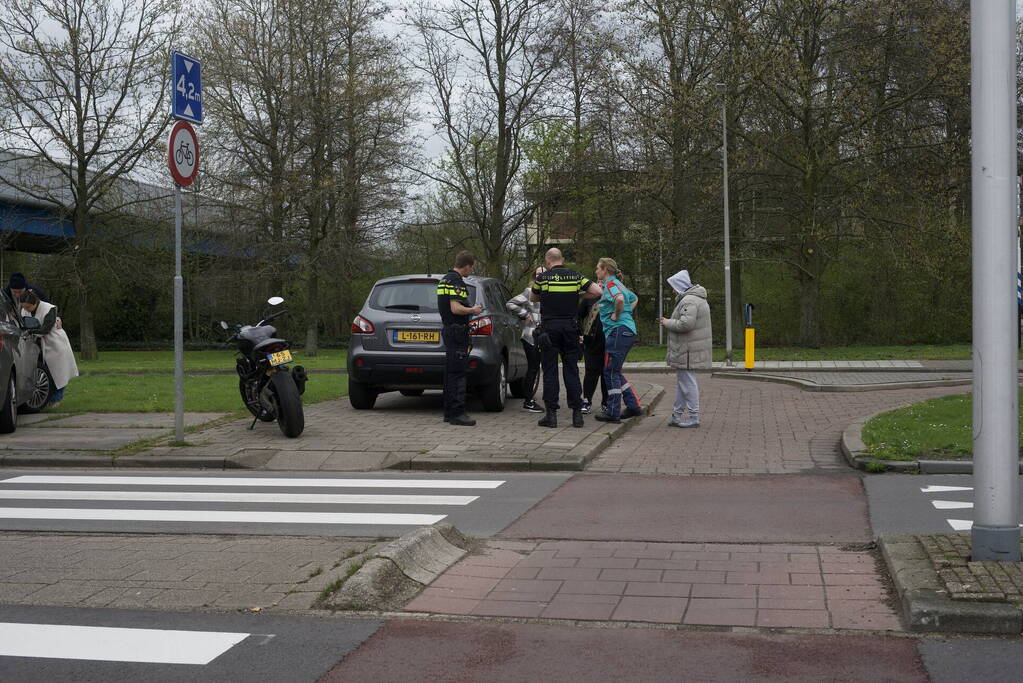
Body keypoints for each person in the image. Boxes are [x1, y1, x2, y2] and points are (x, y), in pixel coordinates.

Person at [530, 248, 601, 428]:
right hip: (570, 329)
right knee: (572, 370)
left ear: (548, 261)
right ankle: (577, 415)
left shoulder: (542, 278)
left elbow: (533, 297)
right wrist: (577, 295)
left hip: (549, 329)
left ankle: (551, 416)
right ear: (562, 259)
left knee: (550, 371)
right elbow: (598, 291)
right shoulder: (575, 276)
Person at [659, 269, 712, 428]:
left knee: (687, 383)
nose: (672, 290)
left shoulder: (688, 300)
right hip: (688, 348)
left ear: (680, 285)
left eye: (674, 286)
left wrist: (667, 322)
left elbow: (685, 324)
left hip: (687, 349)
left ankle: (694, 416)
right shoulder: (695, 298)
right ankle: (677, 415)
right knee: (684, 382)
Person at [436, 251, 483, 426]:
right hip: (457, 332)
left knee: (450, 373)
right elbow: (456, 308)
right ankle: (457, 413)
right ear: (467, 266)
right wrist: (473, 310)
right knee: (458, 374)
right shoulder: (456, 281)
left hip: (449, 330)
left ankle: (449, 412)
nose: (471, 271)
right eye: (472, 268)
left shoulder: (444, 279)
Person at [594, 257, 642, 424]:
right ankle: (633, 406)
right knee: (614, 370)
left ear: (605, 270)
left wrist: (617, 314)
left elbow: (620, 299)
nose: (596, 271)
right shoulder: (619, 284)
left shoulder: (611, 285)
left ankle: (613, 412)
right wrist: (626, 314)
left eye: (598, 268)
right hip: (627, 330)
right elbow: (634, 299)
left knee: (610, 371)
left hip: (618, 331)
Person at [20, 290, 78, 407]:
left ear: (34, 303)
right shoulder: (24, 310)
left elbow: (45, 329)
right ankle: (46, 398)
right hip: (37, 344)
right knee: (45, 372)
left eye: (28, 307)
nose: (26, 309)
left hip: (56, 343)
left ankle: (56, 398)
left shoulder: (49, 309)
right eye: (24, 307)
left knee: (59, 371)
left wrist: (29, 331)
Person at [505, 266, 545, 413]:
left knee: (542, 368)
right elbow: (510, 303)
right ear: (534, 276)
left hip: (544, 336)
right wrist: (524, 313)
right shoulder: (529, 291)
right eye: (539, 274)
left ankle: (542, 398)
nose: (541, 276)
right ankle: (528, 401)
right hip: (530, 335)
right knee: (533, 368)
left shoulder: (549, 292)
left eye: (544, 274)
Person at [577, 296, 608, 415]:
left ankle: (606, 403)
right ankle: (587, 401)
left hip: (609, 340)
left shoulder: (614, 296)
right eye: (599, 280)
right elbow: (578, 315)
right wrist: (579, 333)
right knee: (591, 371)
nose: (601, 283)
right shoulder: (589, 299)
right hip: (591, 342)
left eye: (603, 280)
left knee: (606, 372)